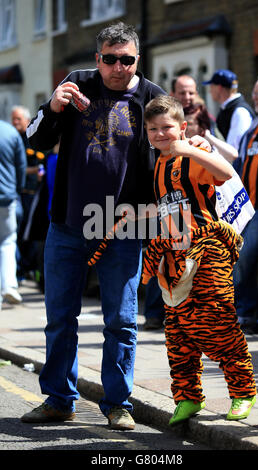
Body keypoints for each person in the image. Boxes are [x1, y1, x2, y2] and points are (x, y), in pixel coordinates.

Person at [20, 22, 166, 430]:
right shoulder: (76, 84)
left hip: (120, 226)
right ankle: (58, 399)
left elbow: (172, 146)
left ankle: (118, 404)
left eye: (127, 60)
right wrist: (52, 108)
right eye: (110, 59)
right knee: (59, 316)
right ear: (97, 58)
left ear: (138, 59)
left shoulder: (152, 96)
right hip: (68, 223)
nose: (118, 68)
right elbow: (38, 140)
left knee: (120, 319)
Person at [142, 95, 257, 426]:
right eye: (153, 129)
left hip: (209, 252)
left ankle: (243, 391)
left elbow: (227, 172)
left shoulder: (191, 156)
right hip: (175, 257)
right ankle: (188, 397)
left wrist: (193, 149)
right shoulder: (159, 165)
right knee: (178, 334)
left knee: (218, 324)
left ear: (181, 127)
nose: (160, 134)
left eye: (167, 128)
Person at [233, 72, 258, 329]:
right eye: (255, 93)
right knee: (238, 254)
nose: (255, 98)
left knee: (244, 255)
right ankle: (245, 310)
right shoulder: (253, 128)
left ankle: (244, 309)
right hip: (246, 207)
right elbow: (239, 162)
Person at [11, 106, 45, 280]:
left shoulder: (34, 136)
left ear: (26, 120)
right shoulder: (13, 138)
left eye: (18, 119)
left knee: (30, 233)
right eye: (13, 119)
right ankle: (22, 269)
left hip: (33, 192)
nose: (15, 122)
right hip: (19, 192)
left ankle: (30, 268)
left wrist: (32, 171)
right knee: (18, 232)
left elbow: (42, 165)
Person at [0, 119, 26, 308]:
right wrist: (18, 189)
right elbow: (21, 166)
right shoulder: (10, 132)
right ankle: (9, 284)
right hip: (7, 197)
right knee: (7, 241)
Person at [202, 69, 255, 150]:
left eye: (211, 86)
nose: (210, 91)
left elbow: (234, 149)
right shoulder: (228, 109)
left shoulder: (240, 112)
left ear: (219, 88)